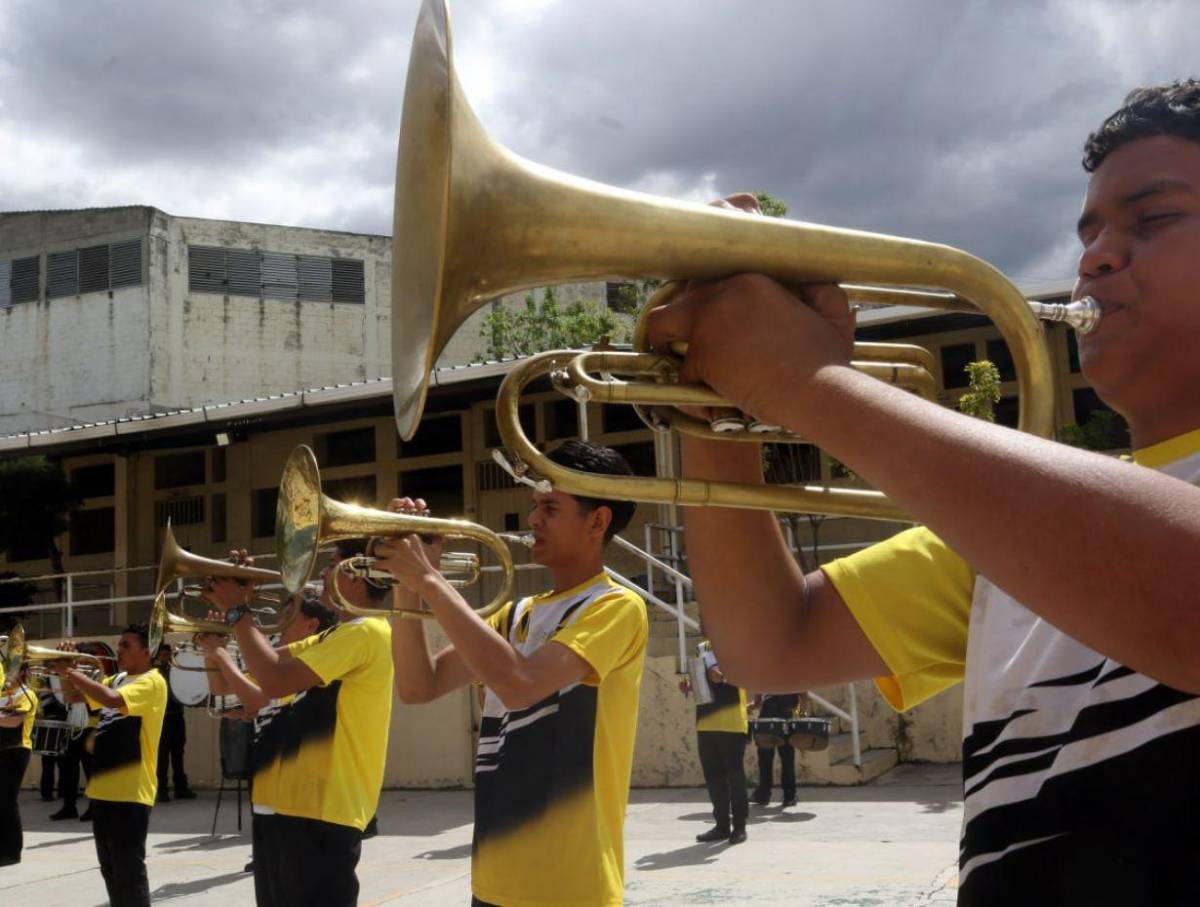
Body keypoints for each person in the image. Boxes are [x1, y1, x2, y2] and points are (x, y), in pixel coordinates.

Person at [643, 80, 1200, 905]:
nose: (1095, 257)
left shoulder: (1043, 524)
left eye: (1152, 219)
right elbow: (773, 643)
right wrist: (714, 406)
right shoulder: (1015, 537)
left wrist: (810, 383)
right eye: (1090, 231)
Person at [380, 439, 648, 907]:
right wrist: (408, 588)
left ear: (598, 522)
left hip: (571, 887)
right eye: (534, 506)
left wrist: (429, 579)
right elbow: (419, 686)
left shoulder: (616, 607)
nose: (532, 519)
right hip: (492, 882)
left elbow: (522, 685)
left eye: (550, 508)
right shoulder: (516, 614)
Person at [204, 541, 393, 907]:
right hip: (290, 809)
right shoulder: (332, 637)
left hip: (323, 813)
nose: (322, 572)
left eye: (332, 563)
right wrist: (228, 619)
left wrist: (238, 610)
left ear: (357, 573)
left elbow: (274, 680)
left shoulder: (365, 632)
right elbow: (241, 683)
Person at [197, 587, 339, 883]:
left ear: (311, 625)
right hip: (267, 783)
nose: (278, 624)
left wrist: (221, 653)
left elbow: (256, 700)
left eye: (288, 617)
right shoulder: (274, 659)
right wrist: (212, 653)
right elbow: (225, 697)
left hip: (303, 794)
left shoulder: (317, 656)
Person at [54, 625, 167, 907]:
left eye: (126, 645)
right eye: (119, 644)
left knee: (129, 871)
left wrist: (71, 671)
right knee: (111, 871)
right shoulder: (117, 679)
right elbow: (73, 698)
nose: (119, 650)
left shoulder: (153, 681)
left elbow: (112, 700)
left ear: (147, 651)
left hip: (131, 790)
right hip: (103, 789)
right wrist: (64, 674)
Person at [681, 640, 749, 844]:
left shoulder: (737, 643)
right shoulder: (701, 648)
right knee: (713, 777)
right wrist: (689, 686)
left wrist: (723, 677)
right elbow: (701, 682)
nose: (702, 625)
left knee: (735, 776)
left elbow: (750, 677)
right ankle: (721, 825)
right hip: (705, 721)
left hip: (732, 721)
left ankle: (739, 827)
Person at [0, 668, 37, 866]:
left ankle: (11, 852)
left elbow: (14, 721)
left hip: (16, 749)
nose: (6, 675)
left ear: (22, 673)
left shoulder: (26, 694)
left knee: (7, 800)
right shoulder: (2, 695)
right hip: (2, 749)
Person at [153, 643, 196, 802]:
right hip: (162, 718)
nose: (166, 658)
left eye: (168, 655)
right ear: (159, 656)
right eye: (164, 655)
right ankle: (161, 790)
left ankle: (180, 787)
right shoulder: (155, 672)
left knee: (178, 753)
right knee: (162, 756)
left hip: (177, 716)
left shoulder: (176, 670)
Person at [749, 692, 800, 808]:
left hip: (769, 718)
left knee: (766, 759)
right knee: (786, 758)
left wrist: (750, 707)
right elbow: (803, 694)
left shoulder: (765, 681)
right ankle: (789, 795)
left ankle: (764, 794)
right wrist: (802, 711)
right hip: (783, 717)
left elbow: (757, 702)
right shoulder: (791, 681)